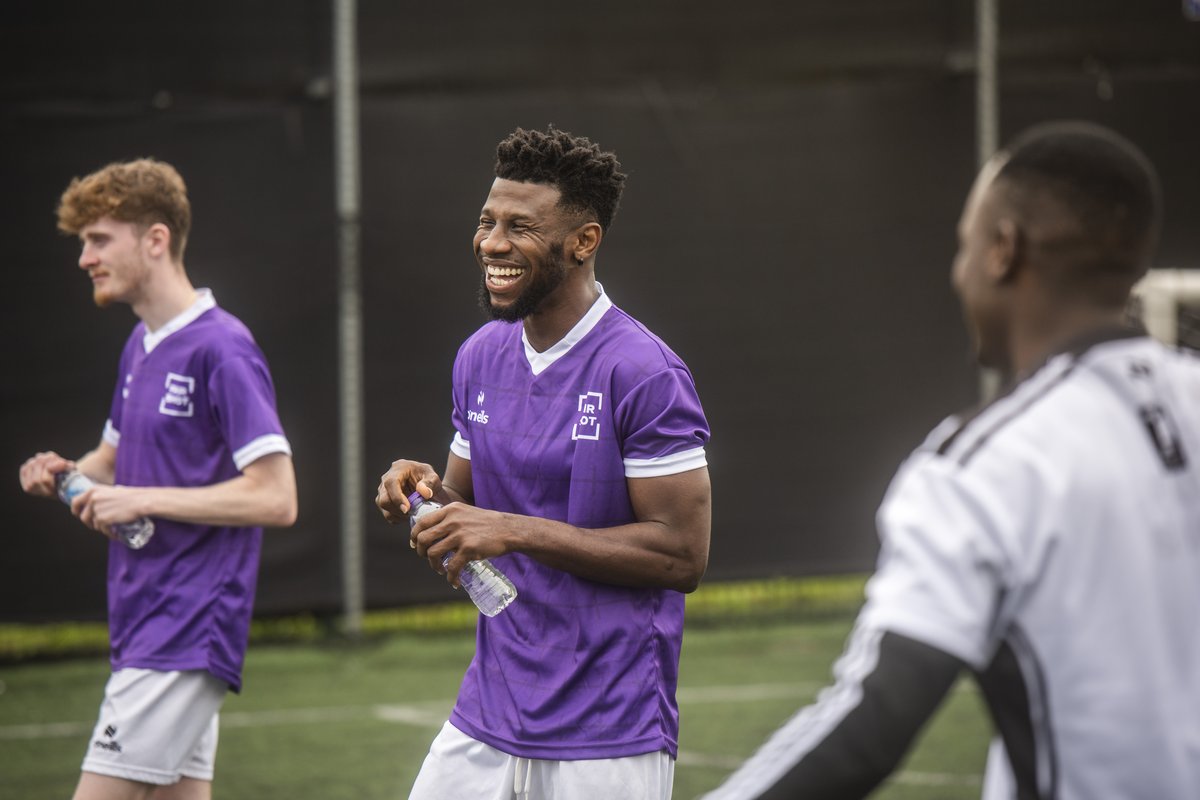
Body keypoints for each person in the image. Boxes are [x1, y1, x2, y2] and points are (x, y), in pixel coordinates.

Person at [699, 121, 1200, 799]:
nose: (957, 272)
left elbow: (871, 722)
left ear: (1001, 250)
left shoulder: (987, 465)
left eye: (963, 246)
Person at [376, 125, 712, 800]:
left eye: (519, 227)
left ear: (583, 241)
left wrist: (513, 530)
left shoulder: (644, 372)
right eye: (487, 221)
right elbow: (461, 507)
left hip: (608, 725)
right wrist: (419, 491)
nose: (493, 244)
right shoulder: (479, 356)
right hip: (490, 708)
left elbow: (683, 556)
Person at [18, 158, 298, 800]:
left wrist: (136, 500)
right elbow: (111, 464)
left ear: (155, 239)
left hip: (187, 623)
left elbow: (277, 497)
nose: (84, 258)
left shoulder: (222, 348)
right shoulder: (141, 345)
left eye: (98, 239)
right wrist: (64, 471)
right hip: (145, 616)